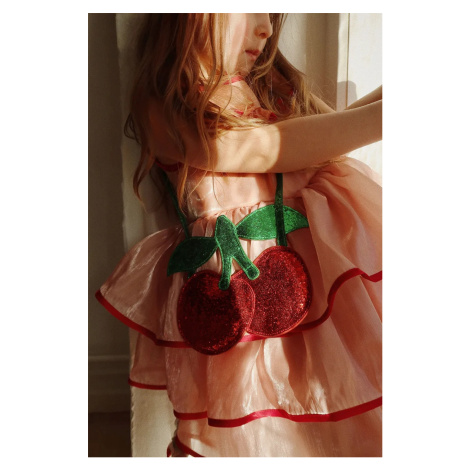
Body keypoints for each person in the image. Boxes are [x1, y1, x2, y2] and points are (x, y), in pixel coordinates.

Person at [96, 13, 382, 457]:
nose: (267, 28)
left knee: (349, 415)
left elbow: (334, 133)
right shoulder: (169, 105)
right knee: (258, 433)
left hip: (329, 301)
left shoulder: (271, 85)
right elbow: (266, 149)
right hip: (241, 307)